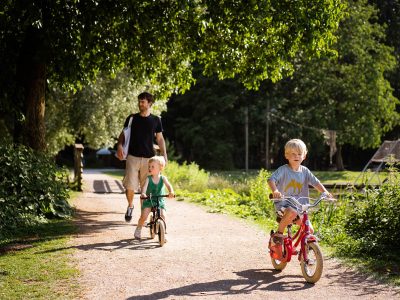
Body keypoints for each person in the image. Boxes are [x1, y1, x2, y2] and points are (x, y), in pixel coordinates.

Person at [267, 139, 333, 256]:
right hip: (284, 205)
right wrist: (275, 190)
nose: (296, 156)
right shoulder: (283, 170)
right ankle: (278, 235)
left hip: (300, 207)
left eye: (299, 154)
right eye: (293, 154)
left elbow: (316, 183)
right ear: (286, 155)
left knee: (310, 231)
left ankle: (304, 251)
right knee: (291, 212)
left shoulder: (305, 171)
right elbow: (271, 180)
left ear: (304, 156)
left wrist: (325, 192)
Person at [116, 92, 168, 222]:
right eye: (139, 101)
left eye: (143, 102)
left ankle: (142, 216)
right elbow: (123, 134)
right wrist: (120, 145)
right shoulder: (132, 118)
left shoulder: (156, 120)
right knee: (130, 186)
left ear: (149, 103)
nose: (140, 104)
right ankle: (130, 206)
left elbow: (160, 139)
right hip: (132, 157)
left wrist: (164, 155)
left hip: (149, 159)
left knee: (147, 188)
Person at [134, 156, 174, 240]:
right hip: (149, 200)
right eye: (149, 166)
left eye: (152, 166)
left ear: (160, 168)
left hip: (159, 200)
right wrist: (143, 194)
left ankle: (164, 233)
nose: (150, 168)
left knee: (163, 215)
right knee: (144, 216)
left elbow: (169, 185)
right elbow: (144, 187)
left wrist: (171, 192)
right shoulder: (148, 179)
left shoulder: (163, 178)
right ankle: (138, 228)